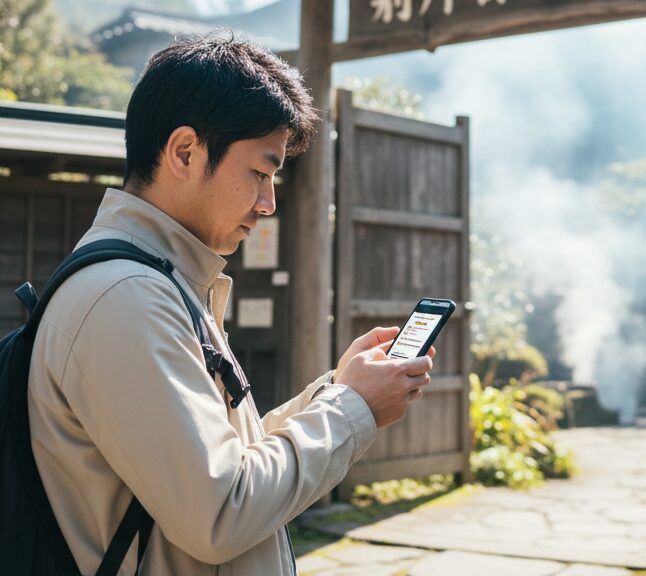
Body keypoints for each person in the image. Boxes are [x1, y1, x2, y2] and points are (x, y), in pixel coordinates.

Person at [27, 34, 433, 575]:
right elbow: (222, 511)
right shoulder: (126, 298)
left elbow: (229, 462)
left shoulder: (157, 283)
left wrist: (338, 391)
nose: (267, 203)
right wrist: (353, 411)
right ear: (185, 152)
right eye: (260, 174)